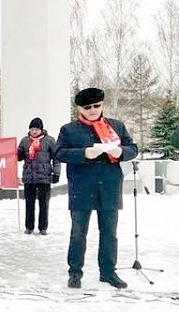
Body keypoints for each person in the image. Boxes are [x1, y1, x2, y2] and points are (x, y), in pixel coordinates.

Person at [56, 87, 138, 289]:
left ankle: (108, 273)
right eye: (87, 107)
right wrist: (83, 153)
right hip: (82, 188)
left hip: (109, 187)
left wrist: (120, 152)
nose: (92, 110)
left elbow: (133, 149)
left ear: (102, 105)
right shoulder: (69, 129)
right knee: (78, 233)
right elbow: (59, 153)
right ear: (79, 108)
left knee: (109, 233)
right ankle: (75, 272)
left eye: (97, 106)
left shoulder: (116, 126)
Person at [17, 117, 60, 235]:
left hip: (44, 177)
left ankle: (43, 227)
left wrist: (56, 173)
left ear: (41, 129)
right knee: (29, 203)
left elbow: (56, 158)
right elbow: (19, 156)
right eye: (32, 129)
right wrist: (17, 153)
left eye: (36, 129)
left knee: (44, 204)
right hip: (29, 177)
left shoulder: (49, 141)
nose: (34, 132)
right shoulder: (25, 141)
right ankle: (29, 226)